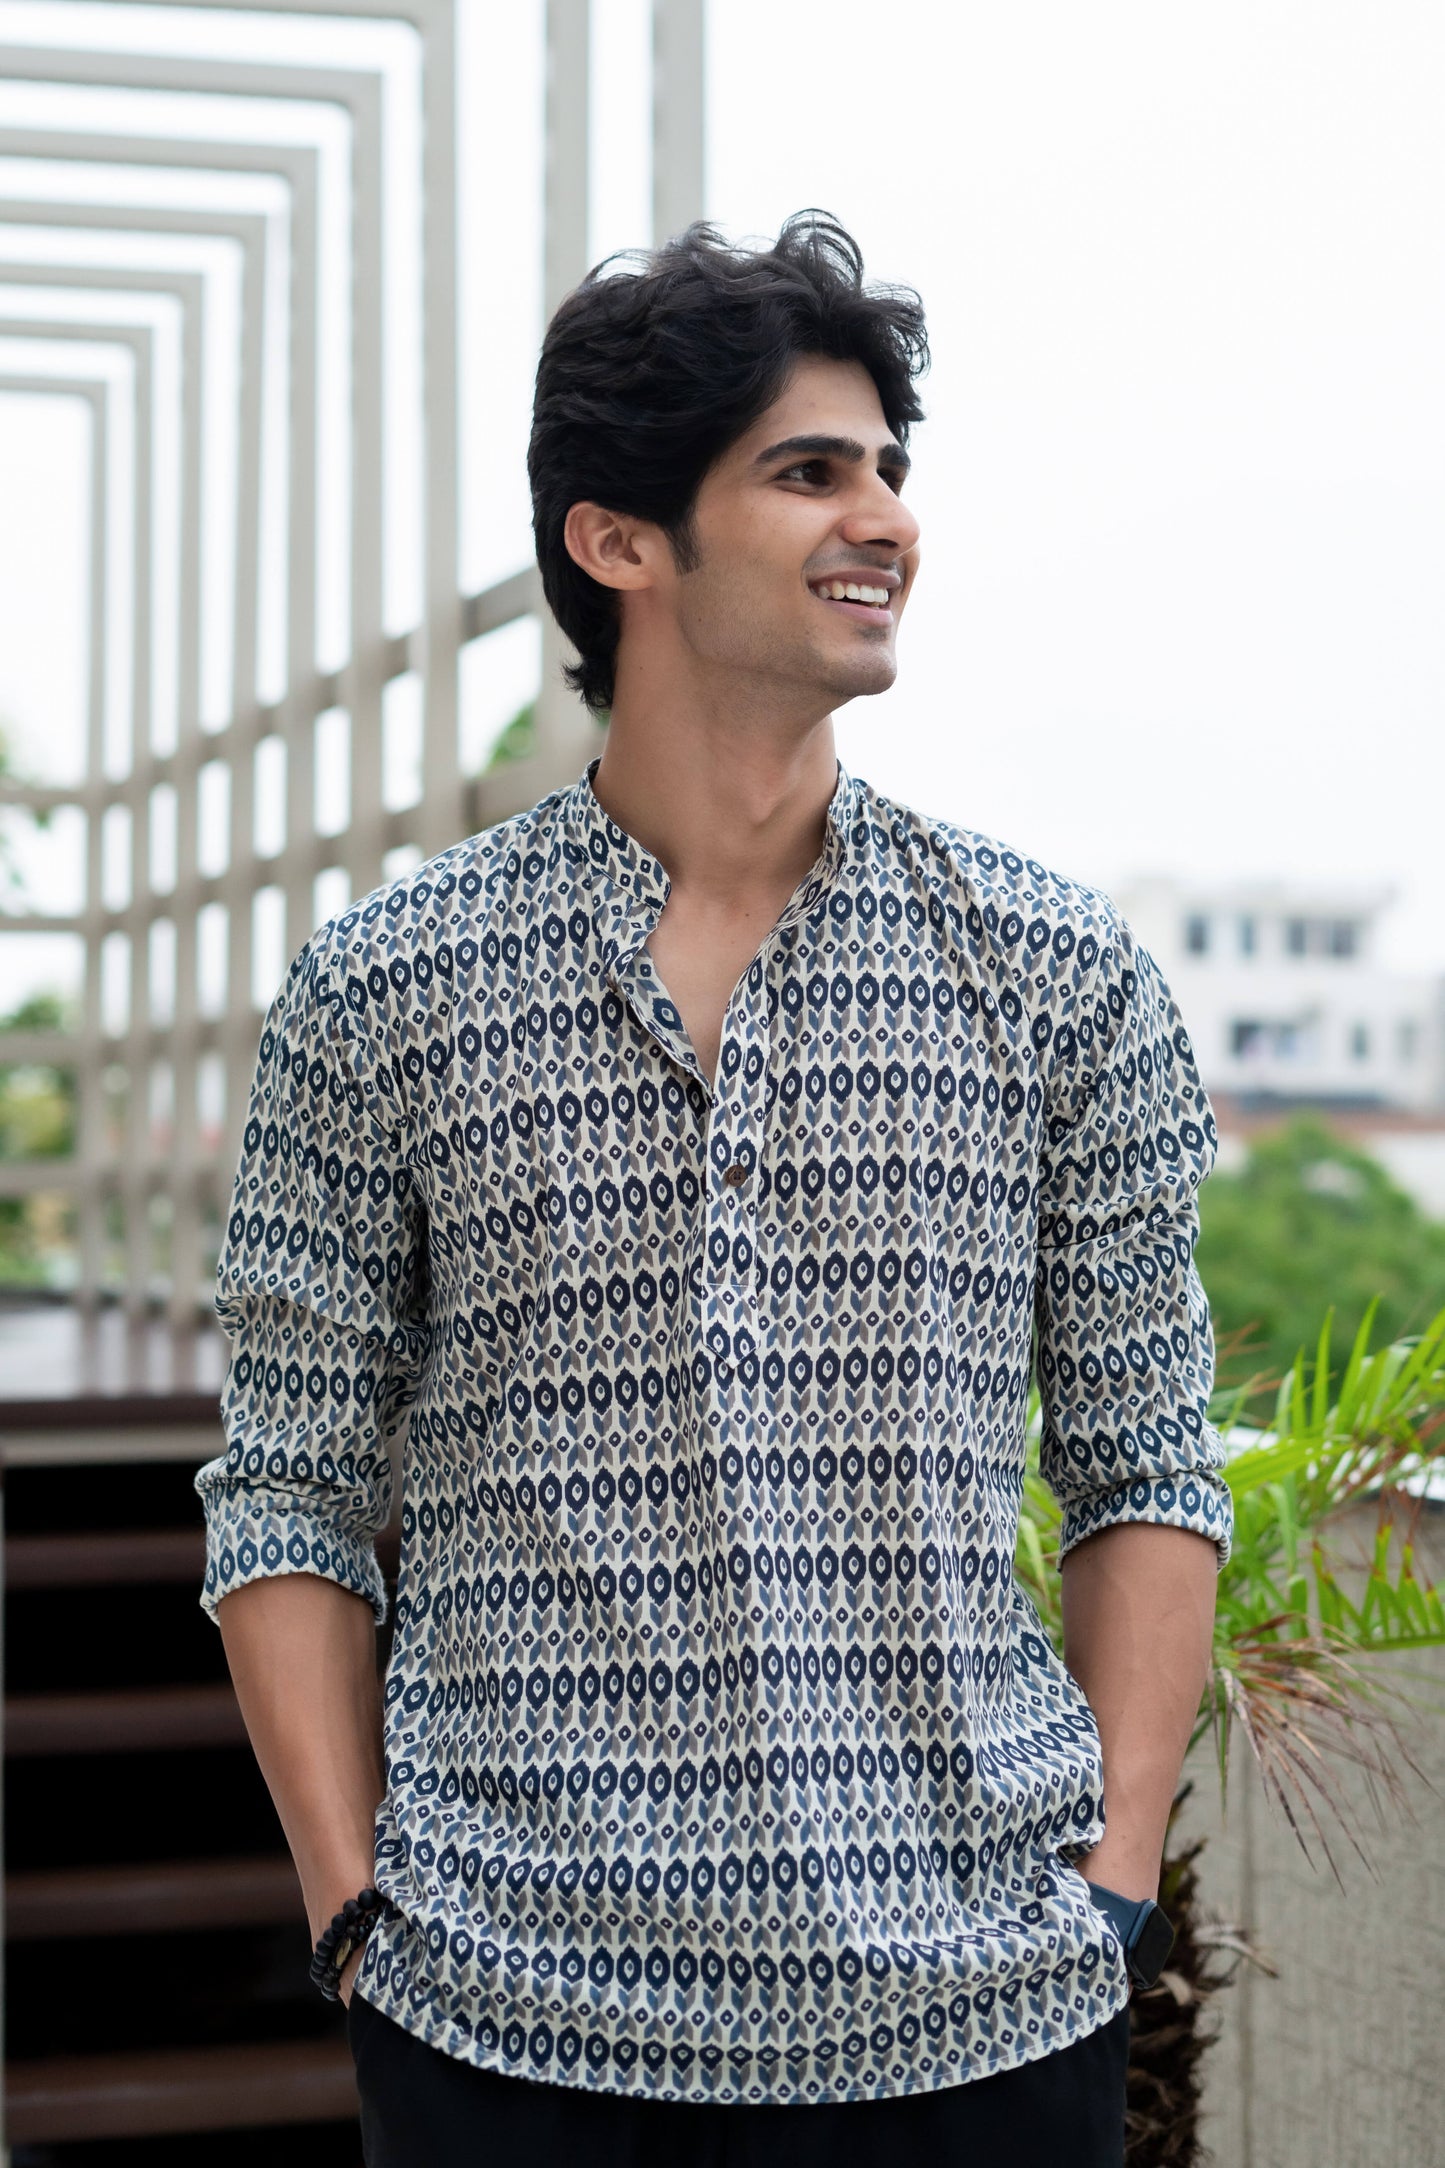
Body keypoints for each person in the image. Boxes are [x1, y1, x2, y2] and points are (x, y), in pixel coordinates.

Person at [197, 211, 1233, 2167]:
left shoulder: (1057, 971)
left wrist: (1102, 1886)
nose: (883, 517)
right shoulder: (381, 994)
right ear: (621, 542)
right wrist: (354, 1901)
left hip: (984, 2031)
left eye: (890, 469)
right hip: (511, 2031)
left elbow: (1149, 1467)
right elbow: (290, 1491)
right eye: (807, 468)